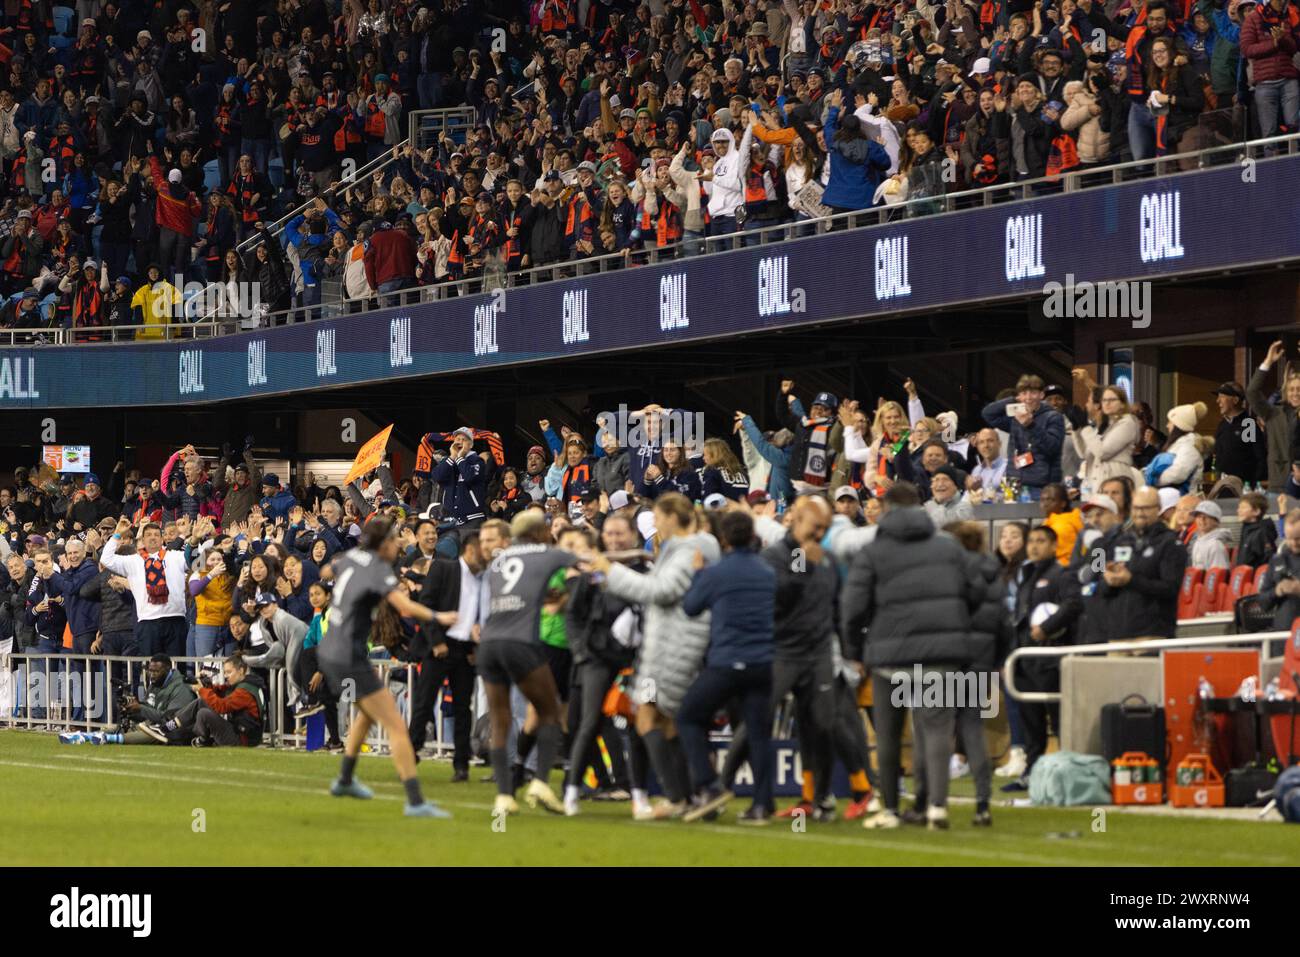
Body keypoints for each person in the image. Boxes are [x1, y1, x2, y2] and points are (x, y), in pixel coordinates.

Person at [841, 482, 984, 830]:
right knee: (936, 730)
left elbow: (852, 608)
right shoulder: (948, 546)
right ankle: (937, 807)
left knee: (889, 736)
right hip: (942, 652)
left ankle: (890, 810)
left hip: (889, 654)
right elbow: (977, 592)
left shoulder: (874, 550)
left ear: (886, 509)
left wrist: (855, 652)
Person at [588, 492, 720, 819]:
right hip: (669, 649)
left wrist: (610, 572)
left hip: (670, 652)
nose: (656, 525)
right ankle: (695, 795)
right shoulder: (688, 550)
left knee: (646, 717)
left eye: (659, 518)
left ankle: (683, 796)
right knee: (668, 722)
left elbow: (659, 592)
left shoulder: (688, 550)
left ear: (674, 517)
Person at [320, 515, 452, 819]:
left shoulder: (351, 556)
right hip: (348, 655)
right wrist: (440, 618)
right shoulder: (378, 569)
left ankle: (345, 779)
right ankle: (416, 801)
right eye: (394, 540)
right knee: (395, 725)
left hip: (330, 649)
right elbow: (405, 607)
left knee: (367, 713)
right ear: (383, 545)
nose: (399, 544)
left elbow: (328, 570)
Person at [676, 509, 777, 825]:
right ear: (752, 536)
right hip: (763, 663)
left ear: (722, 539)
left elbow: (690, 608)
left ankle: (708, 785)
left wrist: (697, 574)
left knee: (688, 716)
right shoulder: (767, 571)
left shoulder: (715, 572)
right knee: (759, 734)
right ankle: (762, 805)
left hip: (727, 662)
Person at [476, 509, 579, 817]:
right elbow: (588, 567)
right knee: (549, 711)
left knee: (500, 718)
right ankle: (541, 783)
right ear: (539, 532)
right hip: (522, 643)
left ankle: (505, 796)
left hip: (489, 645)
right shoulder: (549, 553)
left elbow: (518, 590)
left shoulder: (497, 561)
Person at [1004, 525, 1081, 791]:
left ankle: (1067, 774)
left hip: (1050, 658)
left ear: (1053, 545)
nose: (1035, 546)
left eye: (1041, 541)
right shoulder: (1027, 573)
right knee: (1030, 722)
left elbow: (1074, 604)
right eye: (1032, 541)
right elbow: (1020, 616)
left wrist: (1047, 627)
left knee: (1060, 720)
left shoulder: (1062, 574)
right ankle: (1032, 772)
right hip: (1026, 658)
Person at [408, 531, 486, 779]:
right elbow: (426, 606)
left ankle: (461, 764)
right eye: (482, 552)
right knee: (424, 702)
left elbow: (479, 617)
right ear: (471, 551)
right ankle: (411, 752)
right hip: (439, 647)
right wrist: (437, 642)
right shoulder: (443, 568)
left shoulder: (483, 580)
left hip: (465, 650)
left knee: (463, 708)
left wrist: (475, 649)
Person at [1099, 487, 1189, 642]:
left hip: (1152, 632)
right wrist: (1107, 580)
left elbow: (1171, 588)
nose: (1140, 513)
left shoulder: (1171, 543)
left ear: (1158, 509)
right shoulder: (1114, 542)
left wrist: (1131, 580)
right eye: (1136, 508)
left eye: (1146, 508)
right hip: (1116, 631)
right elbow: (1097, 585)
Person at [59, 654, 197, 746]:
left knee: (151, 732)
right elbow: (150, 708)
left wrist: (140, 709)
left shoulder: (181, 688)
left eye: (156, 672)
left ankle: (106, 738)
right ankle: (84, 736)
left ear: (168, 670)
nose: (152, 675)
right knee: (123, 727)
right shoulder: (156, 683)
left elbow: (171, 720)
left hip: (173, 731)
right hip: (152, 725)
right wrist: (132, 708)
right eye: (150, 671)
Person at [101, 515, 189, 658]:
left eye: (156, 535)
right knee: (151, 669)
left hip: (175, 619)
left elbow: (199, 563)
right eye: (148, 535)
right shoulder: (133, 561)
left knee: (177, 667)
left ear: (162, 539)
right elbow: (106, 559)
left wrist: (191, 536)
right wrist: (117, 533)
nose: (153, 537)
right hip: (147, 622)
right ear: (142, 540)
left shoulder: (176, 556)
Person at [140, 654, 265, 747]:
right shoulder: (246, 684)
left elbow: (222, 706)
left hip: (243, 740)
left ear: (241, 670)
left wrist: (201, 690)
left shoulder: (244, 691)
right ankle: (168, 729)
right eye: (225, 672)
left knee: (204, 713)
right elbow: (222, 690)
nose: (226, 676)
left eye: (228, 672)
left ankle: (170, 731)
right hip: (240, 733)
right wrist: (207, 685)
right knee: (201, 704)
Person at [982, 375, 1066, 498]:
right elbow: (988, 413)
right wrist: (1012, 400)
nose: (1028, 398)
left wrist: (1031, 425)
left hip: (1041, 485)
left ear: (1041, 395)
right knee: (1010, 517)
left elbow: (1052, 447)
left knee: (1038, 517)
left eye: (1033, 393)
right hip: (1012, 482)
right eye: (1024, 393)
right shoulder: (1016, 417)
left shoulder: (1053, 416)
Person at [1246, 340, 1300, 491]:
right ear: (1286, 392)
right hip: (1280, 484)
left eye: (1299, 389)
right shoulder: (1273, 413)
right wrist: (1268, 362)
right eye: (1292, 389)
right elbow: (1251, 392)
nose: (1295, 393)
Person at [1211, 382, 1266, 491]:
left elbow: (1259, 457)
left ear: (1235, 400)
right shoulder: (1223, 424)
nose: (1218, 401)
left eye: (1222, 397)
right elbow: (1216, 453)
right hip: (1222, 485)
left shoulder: (1247, 424)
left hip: (1242, 488)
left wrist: (1252, 484)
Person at [1257, 509, 1300, 631]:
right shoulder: (1277, 561)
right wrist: (1277, 591)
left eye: (1298, 538)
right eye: (1289, 538)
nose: (1293, 543)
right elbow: (1262, 603)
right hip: (1282, 634)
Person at [1236, 492, 1278, 568]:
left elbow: (1267, 563)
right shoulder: (1247, 530)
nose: (1238, 510)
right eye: (1239, 507)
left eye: (1243, 507)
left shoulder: (1262, 533)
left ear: (1256, 511)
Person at [1188, 501, 1232, 569]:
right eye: (1199, 517)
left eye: (1206, 517)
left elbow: (1218, 575)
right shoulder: (1197, 541)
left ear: (1216, 521)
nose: (1202, 520)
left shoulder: (1215, 545)